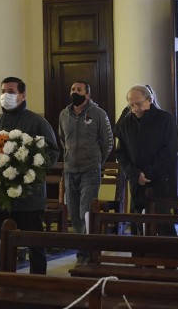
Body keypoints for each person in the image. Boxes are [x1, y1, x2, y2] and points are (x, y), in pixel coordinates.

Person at [0, 76, 60, 274]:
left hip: (29, 196)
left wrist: (32, 169)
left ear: (22, 95)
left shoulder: (37, 122)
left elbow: (53, 151)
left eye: (10, 92)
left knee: (34, 241)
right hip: (1, 196)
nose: (5, 96)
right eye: (3, 91)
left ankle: (37, 283)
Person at [58, 80, 114, 265]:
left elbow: (108, 142)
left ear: (87, 94)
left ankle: (85, 255)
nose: (75, 92)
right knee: (74, 214)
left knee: (85, 212)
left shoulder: (98, 113)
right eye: (72, 89)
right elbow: (62, 139)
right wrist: (68, 157)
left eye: (79, 90)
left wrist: (97, 161)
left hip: (90, 171)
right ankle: (85, 250)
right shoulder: (64, 114)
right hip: (69, 171)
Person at [116, 84, 178, 236]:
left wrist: (148, 173)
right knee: (138, 221)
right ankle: (141, 257)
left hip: (160, 178)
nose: (135, 108)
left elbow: (169, 151)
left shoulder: (165, 119)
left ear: (149, 100)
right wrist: (135, 173)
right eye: (131, 105)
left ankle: (170, 256)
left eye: (138, 103)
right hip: (137, 181)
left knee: (163, 220)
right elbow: (121, 153)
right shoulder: (126, 122)